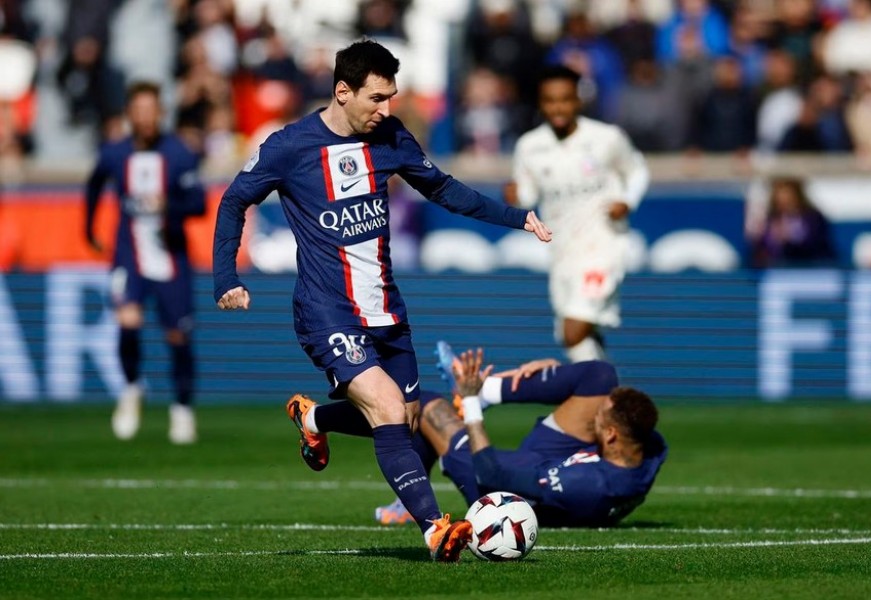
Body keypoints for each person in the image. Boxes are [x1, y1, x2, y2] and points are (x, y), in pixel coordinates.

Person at [213, 39, 551, 562]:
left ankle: (315, 420)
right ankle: (436, 528)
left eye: (391, 96)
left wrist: (516, 217)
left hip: (387, 309)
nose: (387, 109)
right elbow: (235, 199)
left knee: (405, 419)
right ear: (342, 92)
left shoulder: (390, 136)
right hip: (327, 311)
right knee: (389, 408)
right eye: (377, 98)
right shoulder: (289, 146)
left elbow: (442, 188)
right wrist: (224, 277)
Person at [375, 342, 667, 528]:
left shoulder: (587, 485)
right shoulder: (650, 446)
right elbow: (626, 422)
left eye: (599, 420)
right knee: (600, 376)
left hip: (503, 490)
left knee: (426, 407)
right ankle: (487, 389)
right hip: (558, 460)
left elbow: (492, 474)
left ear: (612, 435)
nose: (593, 417)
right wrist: (557, 379)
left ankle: (408, 497)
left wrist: (471, 403)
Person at [84, 81, 206, 444]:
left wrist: (169, 206)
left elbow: (198, 203)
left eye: (151, 110)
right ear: (129, 115)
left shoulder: (179, 153)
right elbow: (93, 185)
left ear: (161, 113)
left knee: (178, 336)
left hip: (170, 257)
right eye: (139, 111)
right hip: (128, 254)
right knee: (127, 320)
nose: (146, 118)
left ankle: (182, 408)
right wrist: (88, 228)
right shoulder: (115, 153)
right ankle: (132, 387)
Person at [507, 65, 649, 362]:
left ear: (578, 101)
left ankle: (599, 401)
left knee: (574, 329)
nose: (558, 107)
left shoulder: (606, 138)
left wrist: (627, 200)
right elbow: (529, 195)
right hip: (562, 251)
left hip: (603, 246)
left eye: (565, 99)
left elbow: (637, 170)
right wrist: (515, 195)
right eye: (550, 100)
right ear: (541, 103)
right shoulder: (530, 147)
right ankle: (608, 401)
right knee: (573, 336)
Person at [748, 176, 835, 269]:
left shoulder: (814, 218)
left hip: (810, 268)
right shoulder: (771, 219)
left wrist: (791, 238)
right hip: (777, 270)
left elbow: (818, 245)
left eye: (786, 191)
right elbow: (760, 248)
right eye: (778, 192)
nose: (782, 197)